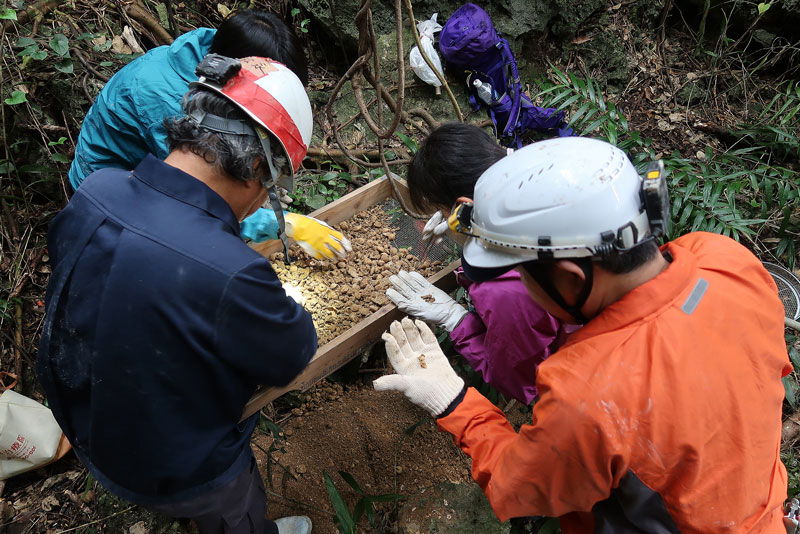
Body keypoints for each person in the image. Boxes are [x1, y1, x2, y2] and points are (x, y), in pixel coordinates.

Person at [374, 136, 792, 532]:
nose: (519, 282)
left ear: (569, 278)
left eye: (520, 271)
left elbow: (517, 488)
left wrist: (453, 401)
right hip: (758, 508)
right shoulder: (725, 258)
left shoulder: (588, 396)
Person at [38, 56, 322, 534]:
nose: (262, 200)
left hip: (85, 422)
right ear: (255, 165)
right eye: (270, 186)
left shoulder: (96, 190)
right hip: (175, 465)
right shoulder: (231, 270)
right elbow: (293, 352)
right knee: (237, 508)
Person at [69, 9, 346, 259]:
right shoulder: (178, 106)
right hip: (107, 201)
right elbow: (196, 197)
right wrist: (282, 224)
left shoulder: (214, 52)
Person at [386, 122, 577, 404]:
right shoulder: (554, 179)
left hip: (571, 389)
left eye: (441, 209)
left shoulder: (508, 288)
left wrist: (457, 319)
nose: (442, 217)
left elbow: (522, 382)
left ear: (464, 206)